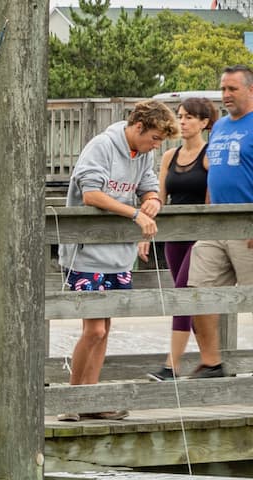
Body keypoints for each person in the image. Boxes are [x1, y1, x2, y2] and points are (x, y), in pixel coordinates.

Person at [56, 100, 172, 422]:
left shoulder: (143, 154)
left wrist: (152, 202)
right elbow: (91, 194)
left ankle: (92, 397)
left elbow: (149, 186)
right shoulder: (102, 146)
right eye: (155, 138)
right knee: (92, 329)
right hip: (86, 253)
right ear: (139, 127)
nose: (157, 145)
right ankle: (71, 398)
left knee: (105, 329)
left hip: (119, 256)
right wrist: (135, 214)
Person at [186, 65, 253, 380]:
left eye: (232, 89)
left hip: (246, 224)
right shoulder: (221, 126)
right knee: (198, 290)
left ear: (250, 89)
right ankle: (212, 363)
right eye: (223, 89)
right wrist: (208, 212)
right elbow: (215, 172)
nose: (225, 95)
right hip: (216, 223)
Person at [148, 97, 215, 381]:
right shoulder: (168, 157)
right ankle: (211, 363)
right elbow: (160, 198)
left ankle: (170, 366)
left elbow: (212, 200)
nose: (183, 122)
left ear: (204, 123)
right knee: (188, 300)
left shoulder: (210, 155)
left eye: (189, 117)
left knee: (182, 297)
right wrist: (146, 231)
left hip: (198, 238)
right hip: (173, 238)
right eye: (180, 116)